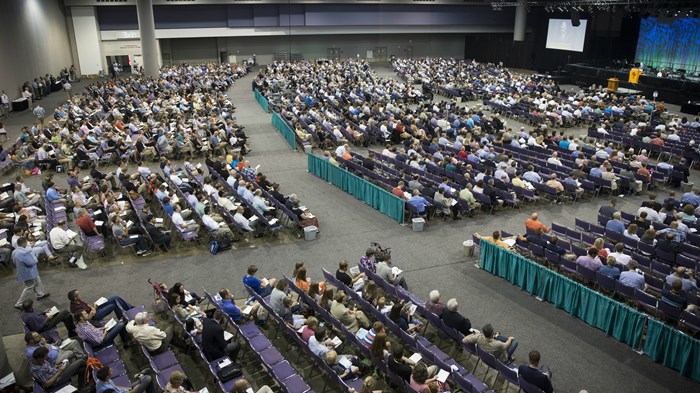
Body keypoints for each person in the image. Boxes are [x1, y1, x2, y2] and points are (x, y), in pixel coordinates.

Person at [13, 237, 49, 309]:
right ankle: (19, 303)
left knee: (37, 281)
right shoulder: (24, 253)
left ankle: (40, 294)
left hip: (25, 271)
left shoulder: (15, 251)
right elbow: (31, 262)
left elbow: (13, 262)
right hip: (28, 272)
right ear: (24, 243)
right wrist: (35, 258)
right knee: (29, 287)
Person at [68, 289, 132, 321]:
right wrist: (94, 308)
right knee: (113, 305)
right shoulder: (75, 308)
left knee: (114, 297)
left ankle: (130, 308)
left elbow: (87, 305)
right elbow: (87, 318)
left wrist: (93, 305)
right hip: (95, 316)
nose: (80, 295)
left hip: (94, 309)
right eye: (78, 295)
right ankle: (122, 319)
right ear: (75, 298)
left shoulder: (78, 301)